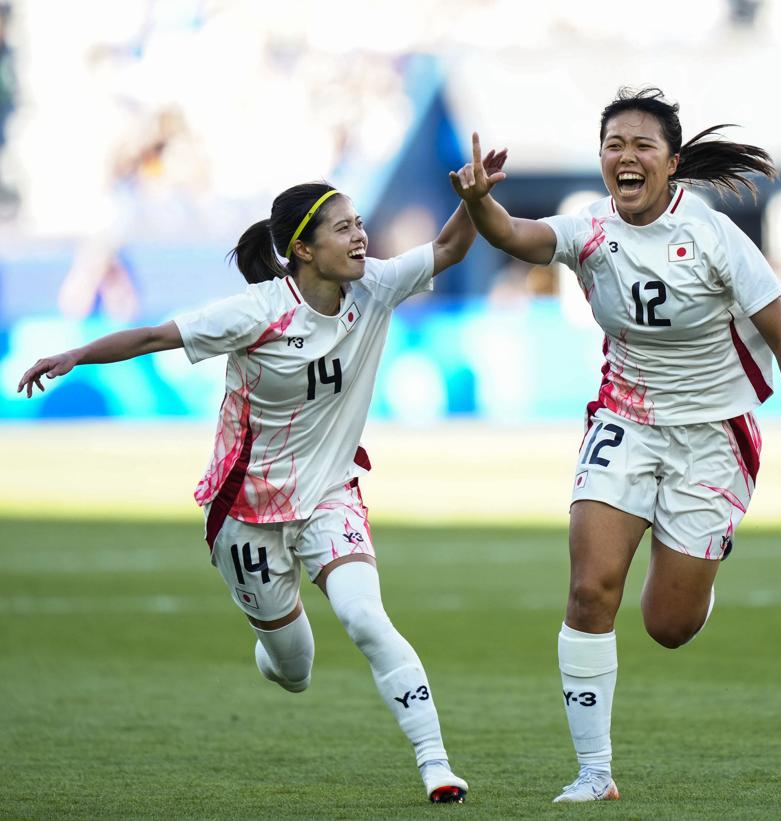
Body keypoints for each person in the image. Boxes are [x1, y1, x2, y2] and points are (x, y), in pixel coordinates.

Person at [17, 152, 507, 804]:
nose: (360, 237)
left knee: (366, 617)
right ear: (302, 249)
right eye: (343, 228)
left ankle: (437, 766)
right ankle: (271, 642)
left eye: (360, 224)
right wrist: (75, 353)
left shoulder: (376, 286)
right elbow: (154, 338)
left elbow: (447, 248)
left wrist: (474, 200)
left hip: (330, 495)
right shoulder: (255, 312)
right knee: (294, 668)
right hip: (245, 512)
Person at [449, 87, 781, 803]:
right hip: (625, 421)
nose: (626, 156)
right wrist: (481, 201)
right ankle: (593, 773)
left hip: (713, 436)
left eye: (643, 145)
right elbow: (513, 236)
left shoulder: (712, 236)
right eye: (614, 145)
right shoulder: (590, 229)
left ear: (672, 162)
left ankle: (699, 567)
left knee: (668, 625)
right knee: (589, 589)